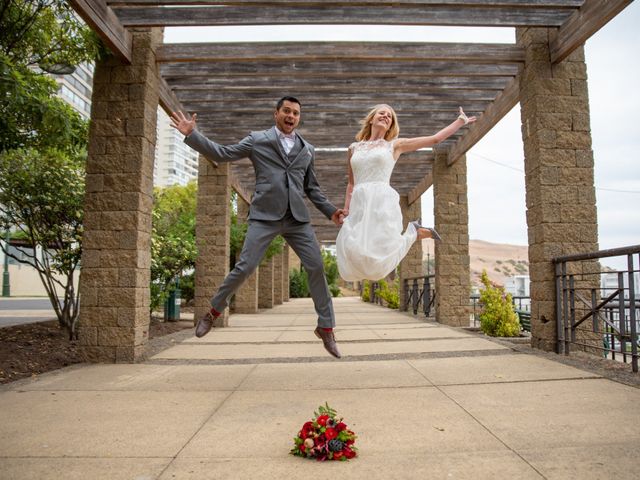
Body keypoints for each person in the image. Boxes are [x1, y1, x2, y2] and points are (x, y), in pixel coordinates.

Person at [170, 96, 345, 358]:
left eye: (296, 113)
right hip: (264, 215)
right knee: (246, 266)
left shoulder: (308, 149)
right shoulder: (258, 139)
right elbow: (223, 153)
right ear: (276, 113)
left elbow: (312, 189)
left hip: (297, 219)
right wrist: (193, 135)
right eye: (286, 111)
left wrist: (331, 212)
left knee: (316, 266)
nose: (291, 116)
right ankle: (213, 312)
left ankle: (326, 328)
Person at [336, 105, 476, 281]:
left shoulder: (395, 146)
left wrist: (460, 122)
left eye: (390, 117)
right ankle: (415, 233)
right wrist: (346, 209)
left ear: (390, 126)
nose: (386, 116)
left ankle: (412, 233)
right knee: (352, 247)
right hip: (359, 202)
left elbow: (434, 139)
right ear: (372, 118)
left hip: (381, 200)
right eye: (382, 113)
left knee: (381, 251)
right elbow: (351, 183)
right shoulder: (353, 148)